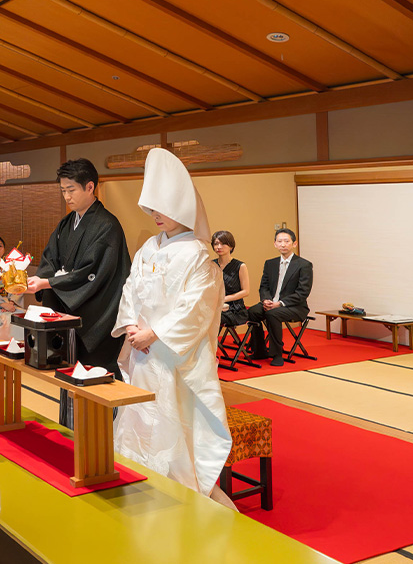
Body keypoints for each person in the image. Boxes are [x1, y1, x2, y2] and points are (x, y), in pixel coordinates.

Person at [112, 148, 232, 507]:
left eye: (161, 207)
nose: (154, 215)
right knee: (137, 414)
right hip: (141, 353)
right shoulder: (149, 247)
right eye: (151, 208)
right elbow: (130, 288)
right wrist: (132, 326)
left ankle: (176, 493)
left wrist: (156, 334)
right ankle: (133, 480)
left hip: (173, 357)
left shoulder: (197, 254)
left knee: (170, 419)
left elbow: (197, 306)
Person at [26, 158, 130, 426]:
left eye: (71, 189)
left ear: (90, 187)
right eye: (63, 190)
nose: (67, 196)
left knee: (94, 374)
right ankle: (71, 432)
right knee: (69, 374)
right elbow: (50, 259)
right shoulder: (65, 225)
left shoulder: (108, 226)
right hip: (68, 311)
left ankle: (101, 437)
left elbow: (93, 273)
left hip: (96, 315)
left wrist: (49, 284)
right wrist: (41, 278)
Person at [246, 228, 313, 366]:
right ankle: (259, 350)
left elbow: (303, 292)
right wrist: (266, 300)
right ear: (275, 244)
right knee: (252, 312)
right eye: (279, 241)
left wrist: (279, 303)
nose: (283, 244)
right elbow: (263, 286)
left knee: (273, 314)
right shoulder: (270, 263)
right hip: (271, 303)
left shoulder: (304, 265)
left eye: (286, 241)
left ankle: (277, 353)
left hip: (294, 307)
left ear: (294, 244)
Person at [213, 230, 250, 328]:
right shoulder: (211, 265)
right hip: (214, 305)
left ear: (231, 246)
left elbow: (246, 291)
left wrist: (224, 299)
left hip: (235, 309)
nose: (219, 247)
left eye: (223, 243)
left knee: (211, 318)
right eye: (216, 244)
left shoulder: (240, 266)